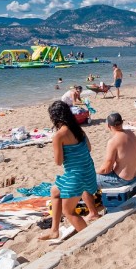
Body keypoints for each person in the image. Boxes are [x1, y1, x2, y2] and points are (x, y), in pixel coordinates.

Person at [38, 101, 101, 242]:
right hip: (89, 172)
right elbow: (89, 148)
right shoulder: (79, 130)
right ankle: (54, 231)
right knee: (55, 191)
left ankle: (90, 238)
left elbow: (58, 162)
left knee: (69, 212)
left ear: (55, 118)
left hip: (76, 176)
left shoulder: (59, 136)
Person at [96, 113, 136, 188]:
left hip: (123, 179)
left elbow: (106, 169)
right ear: (122, 122)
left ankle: (94, 200)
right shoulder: (130, 133)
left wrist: (94, 172)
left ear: (108, 126)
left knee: (86, 181)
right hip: (135, 174)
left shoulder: (113, 141)